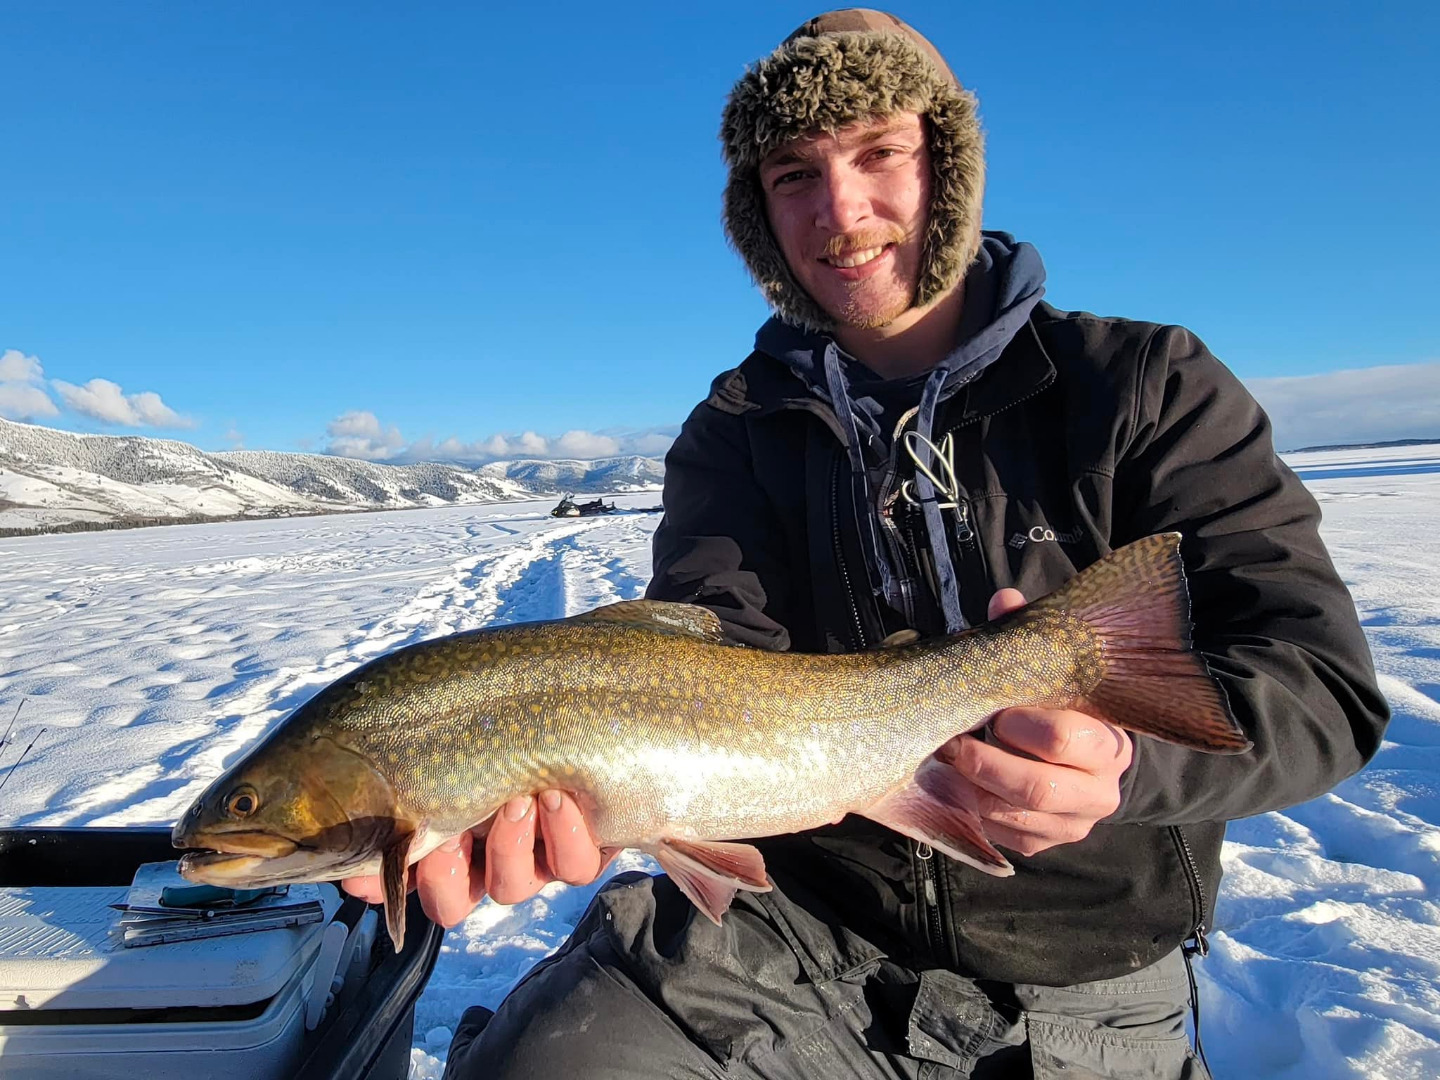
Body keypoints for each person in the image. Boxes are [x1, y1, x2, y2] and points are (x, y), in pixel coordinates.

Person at [354, 10, 1390, 1078]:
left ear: (949, 163)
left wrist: (1126, 764)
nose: (840, 211)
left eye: (879, 152)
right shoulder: (735, 433)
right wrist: (593, 791)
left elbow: (1321, 690)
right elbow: (715, 659)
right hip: (795, 929)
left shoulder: (1143, 386)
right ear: (756, 211)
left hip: (1090, 972)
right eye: (794, 171)